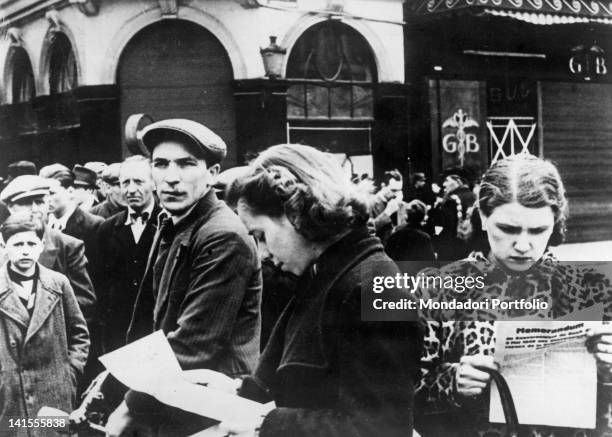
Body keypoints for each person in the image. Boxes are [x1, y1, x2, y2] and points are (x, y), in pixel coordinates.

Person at [191, 144, 423, 437]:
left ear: (296, 214)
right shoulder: (325, 275)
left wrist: (266, 424)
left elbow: (381, 427)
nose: (261, 253)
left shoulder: (373, 288)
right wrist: (236, 390)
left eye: (261, 236)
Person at [413, 155, 612, 437]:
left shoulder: (589, 288)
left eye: (538, 230)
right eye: (507, 229)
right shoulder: (437, 288)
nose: (522, 245)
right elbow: (398, 391)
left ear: (555, 222)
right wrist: (452, 381)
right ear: (483, 216)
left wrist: (608, 370)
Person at [105, 119, 261, 436]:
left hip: (213, 409)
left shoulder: (222, 235)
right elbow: (152, 320)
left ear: (212, 175)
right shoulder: (175, 222)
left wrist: (128, 405)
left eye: (186, 164)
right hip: (180, 397)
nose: (171, 178)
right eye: (161, 164)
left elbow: (195, 343)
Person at [0, 215, 89, 436]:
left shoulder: (58, 284)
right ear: (4, 245)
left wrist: (70, 374)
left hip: (54, 395)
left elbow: (80, 333)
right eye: (17, 244)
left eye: (31, 244)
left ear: (41, 246)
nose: (25, 251)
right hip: (10, 397)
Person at [0, 175, 97, 326]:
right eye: (25, 203)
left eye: (39, 202)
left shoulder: (67, 246)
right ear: (9, 207)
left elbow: (83, 302)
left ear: (48, 204)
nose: (34, 210)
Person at [96, 155, 161, 353]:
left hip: (155, 329)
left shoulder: (167, 223)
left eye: (139, 181)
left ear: (154, 184)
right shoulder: (107, 229)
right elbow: (100, 282)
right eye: (125, 183)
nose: (131, 189)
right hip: (118, 331)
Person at [40, 164, 104, 262]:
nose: (46, 200)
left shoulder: (94, 225)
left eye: (52, 193)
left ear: (70, 191)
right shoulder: (41, 222)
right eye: (43, 194)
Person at [429, 168, 476, 261]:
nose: (443, 184)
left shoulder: (451, 200)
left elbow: (445, 228)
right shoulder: (475, 197)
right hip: (471, 249)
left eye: (447, 180)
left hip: (452, 250)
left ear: (458, 181)